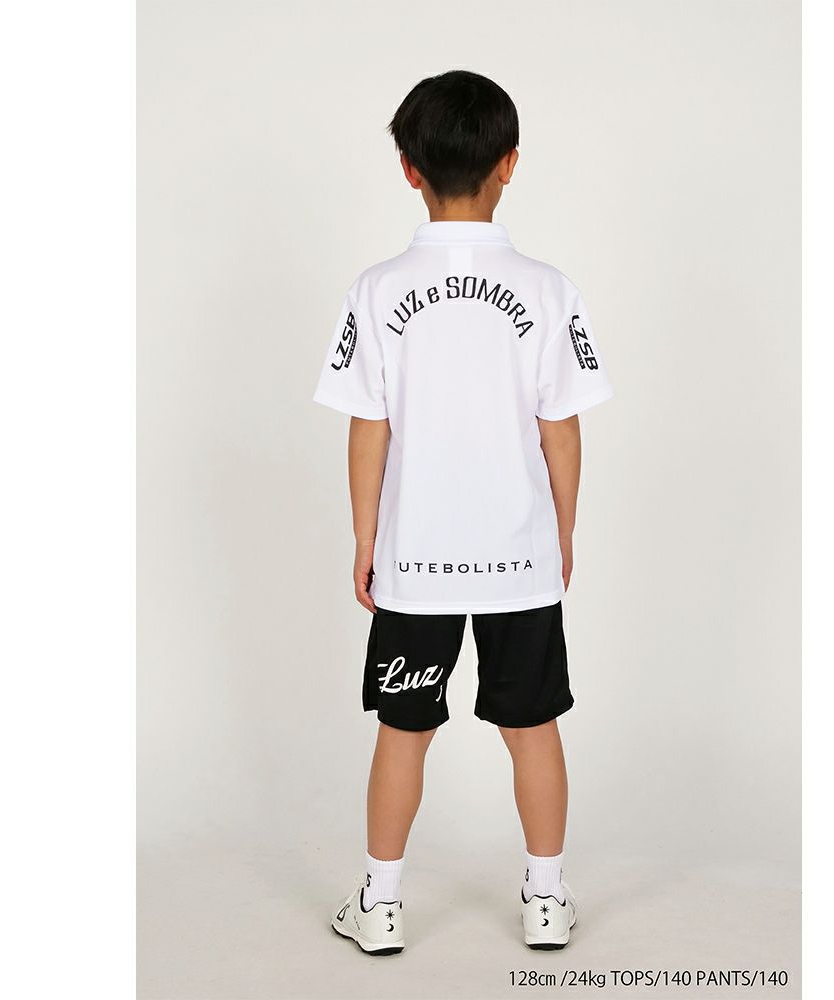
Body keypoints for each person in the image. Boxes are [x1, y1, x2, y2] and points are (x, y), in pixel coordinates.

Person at [314, 69, 612, 955]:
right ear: (509, 163)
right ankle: (547, 899)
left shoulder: (376, 290)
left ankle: (380, 905)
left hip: (416, 560)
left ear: (408, 168)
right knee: (533, 727)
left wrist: (366, 537)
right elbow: (561, 431)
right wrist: (561, 530)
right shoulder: (549, 290)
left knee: (403, 731)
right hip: (519, 557)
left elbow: (369, 427)